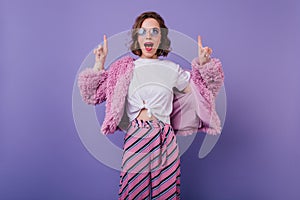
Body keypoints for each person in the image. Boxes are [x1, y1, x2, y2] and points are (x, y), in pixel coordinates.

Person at [78, 11, 224, 200]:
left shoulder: (172, 70)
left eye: (155, 31)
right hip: (136, 137)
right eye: (143, 32)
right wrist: (99, 63)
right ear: (136, 38)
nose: (148, 36)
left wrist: (204, 65)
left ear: (161, 38)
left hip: (165, 139)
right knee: (134, 193)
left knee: (166, 194)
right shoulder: (123, 69)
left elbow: (202, 92)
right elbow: (92, 95)